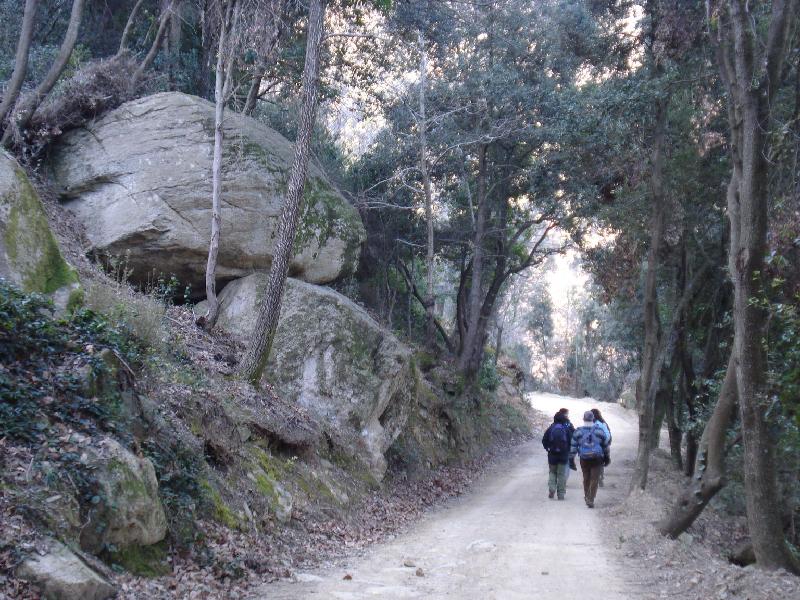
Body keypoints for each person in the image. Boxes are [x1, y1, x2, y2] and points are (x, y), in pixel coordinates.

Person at [569, 410, 609, 508]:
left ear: (583, 419)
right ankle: (591, 498)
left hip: (584, 459)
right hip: (597, 459)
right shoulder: (599, 430)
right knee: (594, 479)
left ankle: (587, 496)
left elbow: (573, 446)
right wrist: (607, 457)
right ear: (593, 419)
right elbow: (605, 446)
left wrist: (571, 459)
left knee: (586, 478)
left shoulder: (578, 431)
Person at [541, 412, 571, 500]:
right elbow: (570, 441)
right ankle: (561, 494)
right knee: (561, 474)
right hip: (563, 455)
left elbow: (544, 440)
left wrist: (548, 448)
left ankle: (552, 488)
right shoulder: (566, 429)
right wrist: (567, 451)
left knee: (552, 472)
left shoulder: (551, 428)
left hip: (552, 455)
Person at [591, 408, 611, 487]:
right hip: (601, 446)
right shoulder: (603, 423)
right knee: (601, 462)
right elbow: (608, 435)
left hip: (591, 446)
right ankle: (600, 476)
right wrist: (605, 443)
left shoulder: (589, 423)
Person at [556, 408, 576, 481]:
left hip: (556, 447)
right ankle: (563, 479)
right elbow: (573, 433)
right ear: (565, 414)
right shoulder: (568, 423)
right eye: (567, 414)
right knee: (566, 463)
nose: (568, 415)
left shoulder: (555, 423)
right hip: (566, 447)